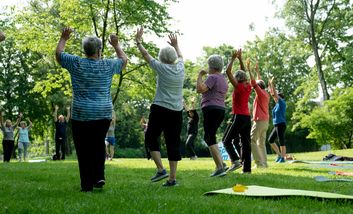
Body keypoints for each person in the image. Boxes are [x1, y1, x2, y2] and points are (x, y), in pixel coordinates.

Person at [55, 27, 127, 192]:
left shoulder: (76, 63)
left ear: (85, 50)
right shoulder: (108, 65)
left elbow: (59, 55)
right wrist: (116, 45)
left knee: (83, 148)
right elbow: (123, 61)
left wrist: (64, 38)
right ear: (99, 50)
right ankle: (99, 176)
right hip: (103, 113)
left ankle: (87, 184)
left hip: (82, 113)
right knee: (97, 144)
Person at [135, 27, 184, 187]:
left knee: (150, 137)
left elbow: (145, 55)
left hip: (160, 108)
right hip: (176, 111)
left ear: (161, 58)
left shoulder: (161, 68)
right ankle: (172, 178)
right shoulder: (181, 68)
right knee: (173, 142)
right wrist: (176, 45)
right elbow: (181, 56)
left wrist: (138, 41)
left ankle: (161, 169)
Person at [196, 54, 229, 177]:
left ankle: (220, 167)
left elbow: (199, 89)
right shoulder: (223, 80)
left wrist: (200, 75)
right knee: (211, 137)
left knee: (209, 137)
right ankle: (222, 164)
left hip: (211, 109)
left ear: (211, 66)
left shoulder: (212, 77)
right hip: (220, 109)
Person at [223, 49, 253, 173]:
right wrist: (240, 59)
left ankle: (235, 161)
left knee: (226, 141)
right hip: (247, 118)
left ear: (237, 78)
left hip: (239, 117)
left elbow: (227, 71)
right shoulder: (248, 86)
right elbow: (243, 72)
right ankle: (247, 169)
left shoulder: (239, 87)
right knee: (245, 143)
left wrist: (232, 59)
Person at [250, 62, 270, 168]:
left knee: (252, 140)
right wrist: (257, 71)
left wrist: (249, 69)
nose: (254, 89)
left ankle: (258, 163)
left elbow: (254, 83)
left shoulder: (260, 93)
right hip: (265, 122)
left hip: (259, 121)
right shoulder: (265, 93)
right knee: (261, 143)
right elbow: (259, 82)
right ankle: (264, 163)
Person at [268, 77, 287, 163]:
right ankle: (279, 155)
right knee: (270, 140)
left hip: (281, 124)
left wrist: (272, 84)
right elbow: (272, 93)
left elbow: (274, 94)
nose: (275, 97)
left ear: (280, 97)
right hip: (277, 125)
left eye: (277, 96)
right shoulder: (277, 105)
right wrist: (269, 85)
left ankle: (283, 158)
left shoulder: (282, 103)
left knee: (281, 141)